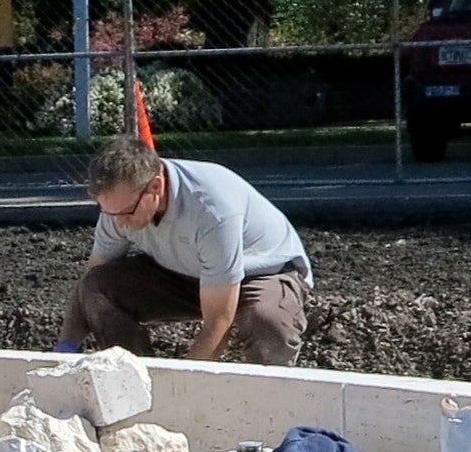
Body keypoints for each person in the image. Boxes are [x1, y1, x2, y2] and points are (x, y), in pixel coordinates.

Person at [65, 136, 310, 366]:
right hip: (187, 272)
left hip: (259, 275)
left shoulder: (211, 209)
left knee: (268, 323)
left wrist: (181, 385)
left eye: (127, 212)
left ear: (156, 186)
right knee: (99, 287)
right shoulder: (120, 206)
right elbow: (90, 283)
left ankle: (263, 402)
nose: (119, 223)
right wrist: (63, 350)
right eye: (110, 213)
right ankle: (131, 388)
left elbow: (219, 319)